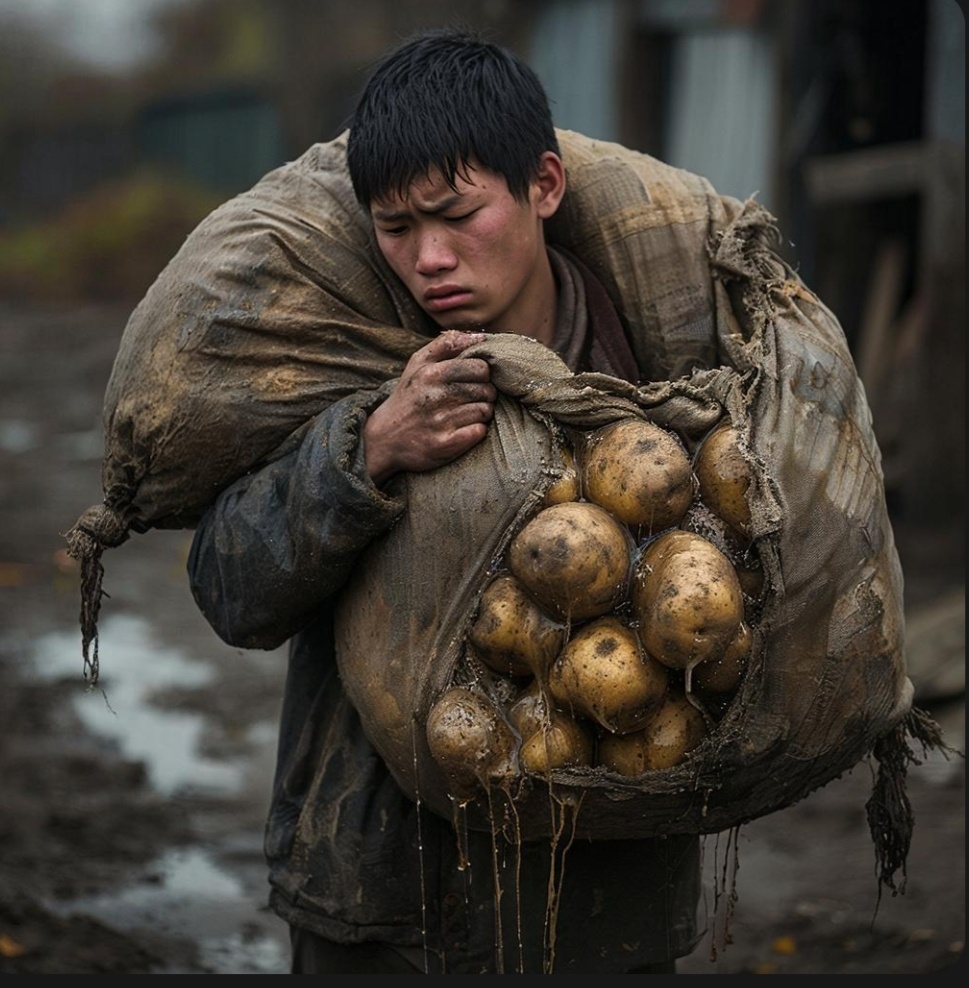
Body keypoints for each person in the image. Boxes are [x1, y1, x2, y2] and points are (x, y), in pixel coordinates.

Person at [187, 27, 702, 974]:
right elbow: (230, 591)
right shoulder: (333, 353)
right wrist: (368, 452)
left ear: (543, 186)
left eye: (458, 215)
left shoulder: (660, 360)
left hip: (600, 904)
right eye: (395, 229)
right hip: (379, 902)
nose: (428, 258)